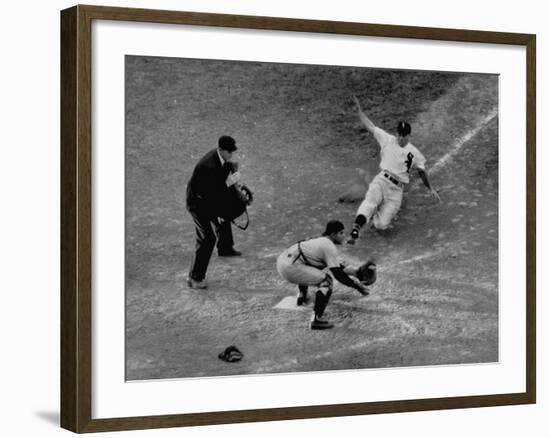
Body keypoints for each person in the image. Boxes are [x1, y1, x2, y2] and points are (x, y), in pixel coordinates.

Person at [348, 96, 441, 244]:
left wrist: (431, 188)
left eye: (405, 135)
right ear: (397, 133)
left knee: (381, 224)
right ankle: (356, 228)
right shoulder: (387, 139)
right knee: (370, 203)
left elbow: (422, 171)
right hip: (381, 180)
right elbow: (370, 126)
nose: (401, 137)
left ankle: (373, 214)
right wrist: (360, 111)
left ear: (409, 135)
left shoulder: (415, 153)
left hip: (396, 191)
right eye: (400, 134)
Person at [276, 220, 370, 330]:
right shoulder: (328, 246)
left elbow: (333, 265)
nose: (344, 236)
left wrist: (355, 272)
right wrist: (356, 286)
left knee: (311, 266)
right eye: (341, 233)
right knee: (326, 281)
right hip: (291, 267)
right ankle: (316, 320)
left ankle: (302, 296)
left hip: (283, 262)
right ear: (333, 234)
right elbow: (338, 274)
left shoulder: (318, 240)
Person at [186, 135, 243, 289]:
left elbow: (222, 173)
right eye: (229, 152)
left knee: (224, 216)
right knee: (207, 239)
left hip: (208, 199)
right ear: (221, 150)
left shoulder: (219, 158)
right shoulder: (209, 166)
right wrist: (229, 182)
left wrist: (231, 171)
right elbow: (211, 194)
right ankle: (195, 278)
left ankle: (225, 248)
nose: (231, 154)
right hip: (198, 204)